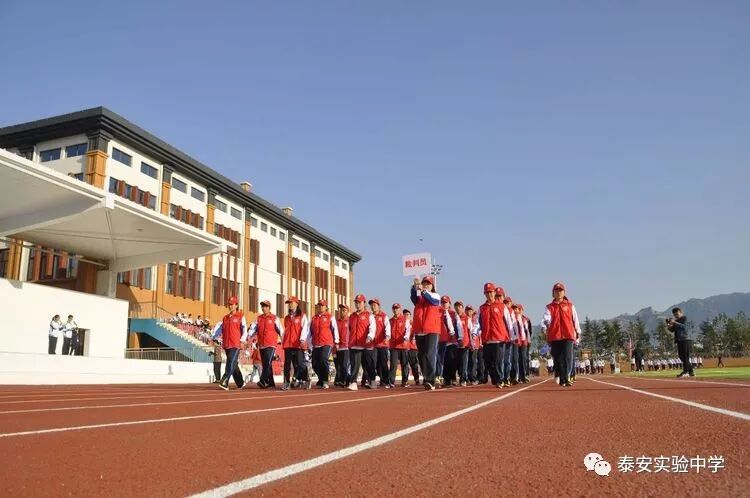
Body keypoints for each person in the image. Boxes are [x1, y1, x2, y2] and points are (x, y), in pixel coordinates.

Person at [541, 282, 581, 388]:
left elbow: (575, 319)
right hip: (555, 336)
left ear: (564, 292)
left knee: (567, 357)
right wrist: (544, 326)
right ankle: (558, 373)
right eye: (556, 291)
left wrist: (578, 332)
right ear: (553, 293)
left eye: (560, 291)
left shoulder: (570, 305)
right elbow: (546, 318)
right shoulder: (549, 307)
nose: (558, 293)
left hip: (568, 335)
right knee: (557, 358)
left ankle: (566, 378)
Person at [476, 283, 513, 388]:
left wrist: (511, 335)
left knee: (498, 361)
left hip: (499, 338)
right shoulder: (481, 308)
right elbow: (477, 322)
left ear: (494, 293)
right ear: (484, 294)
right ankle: (495, 378)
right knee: (487, 362)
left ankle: (500, 380)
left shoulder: (502, 306)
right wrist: (475, 332)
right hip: (487, 339)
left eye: (491, 292)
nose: (489, 294)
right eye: (487, 292)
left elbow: (509, 322)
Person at [410, 275, 442, 390]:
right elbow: (413, 297)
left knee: (429, 354)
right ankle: (426, 377)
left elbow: (433, 300)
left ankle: (430, 380)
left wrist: (423, 291)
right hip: (419, 330)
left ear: (432, 286)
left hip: (432, 330)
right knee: (421, 356)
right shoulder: (419, 298)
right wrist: (414, 287)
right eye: (424, 283)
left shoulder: (435, 295)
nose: (426, 285)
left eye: (428, 284)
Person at [242, 300, 283, 388]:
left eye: (265, 306)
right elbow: (253, 328)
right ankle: (271, 383)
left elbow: (281, 330)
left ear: (269, 308)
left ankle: (262, 380)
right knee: (266, 364)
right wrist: (248, 336)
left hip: (271, 344)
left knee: (267, 363)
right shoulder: (258, 318)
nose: (264, 308)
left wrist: (283, 339)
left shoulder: (274, 318)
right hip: (261, 345)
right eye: (262, 306)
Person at [211, 296, 246, 390]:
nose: (230, 306)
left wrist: (242, 340)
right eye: (229, 304)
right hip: (227, 344)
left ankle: (224, 381)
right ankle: (240, 382)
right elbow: (220, 329)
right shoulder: (225, 318)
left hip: (235, 344)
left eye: (232, 304)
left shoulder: (241, 316)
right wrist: (214, 337)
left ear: (236, 305)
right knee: (233, 363)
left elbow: (244, 330)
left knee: (230, 361)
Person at [280, 296, 310, 390]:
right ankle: (286, 383)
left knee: (300, 364)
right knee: (287, 364)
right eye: (289, 303)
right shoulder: (286, 318)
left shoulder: (302, 316)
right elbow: (286, 331)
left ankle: (306, 379)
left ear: (297, 304)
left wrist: (302, 340)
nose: (290, 305)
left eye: (291, 303)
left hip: (298, 344)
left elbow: (305, 329)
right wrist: (283, 340)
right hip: (288, 344)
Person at [347, 294, 376, 390]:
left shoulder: (369, 315)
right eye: (356, 302)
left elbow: (372, 328)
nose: (357, 304)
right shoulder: (352, 316)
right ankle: (353, 382)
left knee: (368, 364)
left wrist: (369, 337)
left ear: (364, 303)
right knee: (354, 365)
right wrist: (349, 341)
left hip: (366, 345)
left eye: (359, 302)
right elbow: (349, 330)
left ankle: (372, 380)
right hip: (355, 345)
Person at [309, 299, 339, 389]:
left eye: (322, 305)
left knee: (323, 359)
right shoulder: (314, 318)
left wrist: (336, 341)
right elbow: (310, 332)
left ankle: (325, 380)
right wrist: (307, 342)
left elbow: (335, 329)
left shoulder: (330, 317)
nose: (320, 307)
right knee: (314, 363)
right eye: (319, 305)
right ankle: (321, 378)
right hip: (316, 343)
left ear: (326, 307)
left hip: (327, 343)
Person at [439, 296, 461, 387]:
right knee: (444, 361)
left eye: (446, 302)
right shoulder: (438, 313)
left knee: (452, 360)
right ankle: (446, 379)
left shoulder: (453, 314)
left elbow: (459, 326)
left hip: (452, 341)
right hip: (442, 341)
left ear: (449, 304)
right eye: (443, 302)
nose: (444, 304)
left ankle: (453, 377)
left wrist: (460, 338)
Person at [369, 298, 392, 388]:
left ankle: (385, 381)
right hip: (373, 345)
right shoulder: (370, 316)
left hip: (382, 344)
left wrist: (387, 337)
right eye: (371, 305)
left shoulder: (383, 316)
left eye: (374, 305)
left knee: (383, 363)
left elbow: (387, 327)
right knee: (373, 362)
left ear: (379, 306)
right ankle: (372, 381)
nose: (373, 307)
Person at [388, 303, 411, 387]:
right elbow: (387, 331)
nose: (395, 310)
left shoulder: (405, 319)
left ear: (400, 309)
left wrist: (406, 338)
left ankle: (405, 381)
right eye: (394, 308)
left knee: (404, 364)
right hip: (393, 346)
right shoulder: (390, 320)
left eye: (397, 308)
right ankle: (391, 382)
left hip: (403, 345)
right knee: (393, 364)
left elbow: (408, 330)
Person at [668, 307, 694, 377]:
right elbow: (672, 330)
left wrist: (674, 322)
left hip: (685, 339)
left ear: (681, 313)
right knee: (681, 356)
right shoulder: (676, 321)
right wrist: (669, 325)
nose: (676, 316)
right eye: (675, 315)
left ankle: (686, 372)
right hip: (679, 340)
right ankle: (691, 372)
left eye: (677, 314)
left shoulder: (684, 318)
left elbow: (683, 326)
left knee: (685, 356)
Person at [334, 304, 351, 387]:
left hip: (346, 346)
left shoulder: (350, 321)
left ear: (348, 312)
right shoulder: (336, 322)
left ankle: (342, 380)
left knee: (344, 364)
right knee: (338, 365)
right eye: (341, 310)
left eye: (344, 310)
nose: (342, 312)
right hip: (337, 347)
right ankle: (344, 379)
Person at [455, 301, 471, 386]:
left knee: (464, 362)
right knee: (458, 363)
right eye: (456, 306)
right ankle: (461, 376)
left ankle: (463, 379)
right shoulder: (454, 317)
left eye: (459, 306)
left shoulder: (466, 318)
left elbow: (470, 330)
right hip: (456, 344)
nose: (458, 308)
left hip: (465, 343)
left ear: (462, 308)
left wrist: (471, 343)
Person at [404, 309, 421, 385]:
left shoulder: (413, 323)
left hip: (412, 347)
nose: (406, 316)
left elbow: (416, 332)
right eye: (405, 314)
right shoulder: (402, 323)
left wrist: (414, 339)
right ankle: (405, 380)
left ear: (410, 316)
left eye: (407, 314)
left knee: (414, 364)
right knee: (404, 364)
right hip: (404, 347)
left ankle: (416, 379)